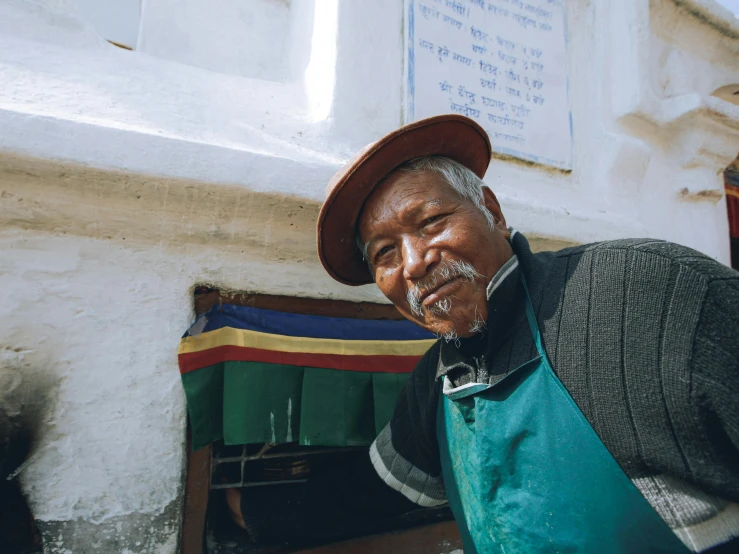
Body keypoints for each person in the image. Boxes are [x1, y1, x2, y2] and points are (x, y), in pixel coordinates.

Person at [312, 115, 739, 553]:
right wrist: (244, 512)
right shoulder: (436, 382)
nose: (414, 262)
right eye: (385, 252)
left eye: (431, 222)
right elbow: (365, 493)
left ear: (491, 212)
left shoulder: (651, 292)